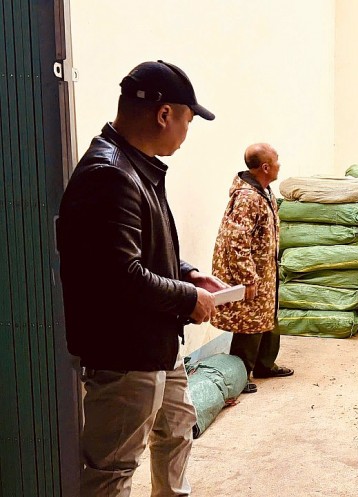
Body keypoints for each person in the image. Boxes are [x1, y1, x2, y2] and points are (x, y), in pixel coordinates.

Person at [58, 60, 222, 496]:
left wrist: (188, 274)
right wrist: (187, 298)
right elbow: (120, 276)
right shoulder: (110, 174)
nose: (186, 133)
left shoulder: (137, 166)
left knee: (177, 430)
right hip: (126, 353)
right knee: (113, 468)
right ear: (164, 114)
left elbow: (140, 248)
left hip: (157, 343)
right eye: (187, 121)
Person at [211, 143, 292, 393]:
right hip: (251, 272)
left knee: (267, 316)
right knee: (249, 323)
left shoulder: (264, 192)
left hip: (265, 270)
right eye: (277, 161)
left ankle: (265, 365)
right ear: (265, 167)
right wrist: (247, 277)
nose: (280, 164)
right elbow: (236, 241)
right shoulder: (247, 198)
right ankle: (240, 375)